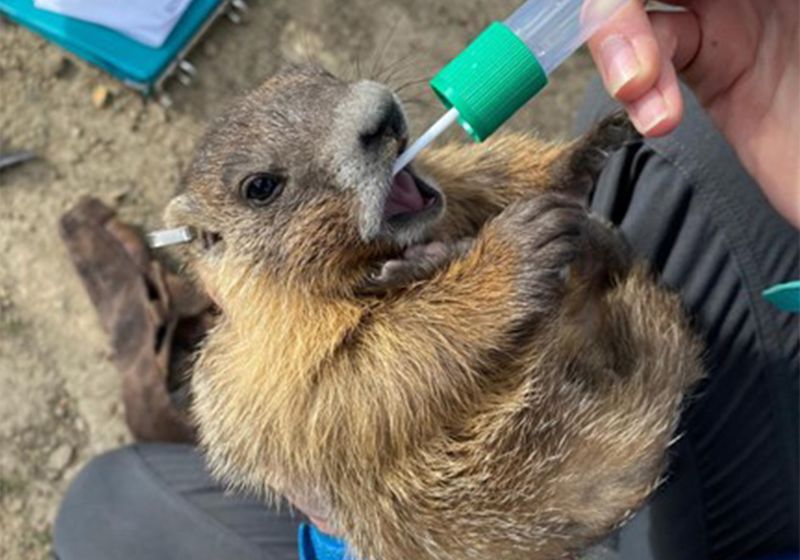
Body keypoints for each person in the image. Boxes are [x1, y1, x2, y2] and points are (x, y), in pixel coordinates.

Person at [53, 1, 799, 559]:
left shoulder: (399, 198)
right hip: (571, 489)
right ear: (213, 244)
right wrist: (496, 278)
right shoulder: (278, 368)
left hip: (609, 407)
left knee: (109, 502)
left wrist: (561, 173)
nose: (371, 119)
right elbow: (379, 379)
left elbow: (487, 181)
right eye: (262, 192)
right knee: (681, 145)